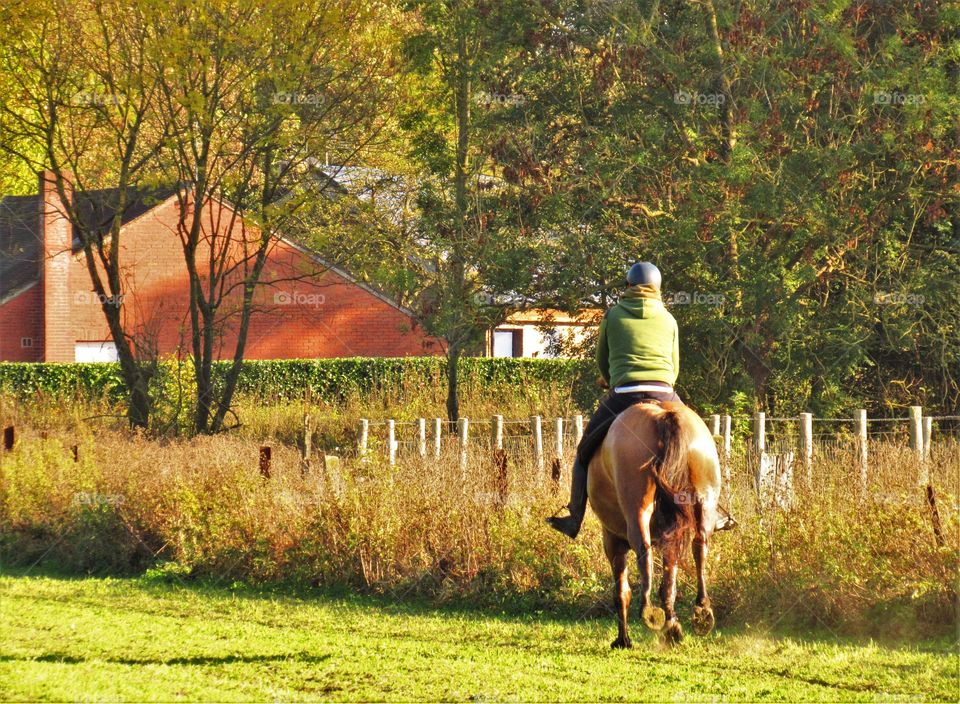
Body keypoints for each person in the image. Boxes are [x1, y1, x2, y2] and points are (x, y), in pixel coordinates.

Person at [547, 261, 683, 539]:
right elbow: (675, 365)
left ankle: (574, 516)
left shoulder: (613, 316)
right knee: (693, 437)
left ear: (629, 286)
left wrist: (609, 379)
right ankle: (713, 509)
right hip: (664, 392)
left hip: (624, 394)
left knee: (584, 450)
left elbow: (602, 359)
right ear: (657, 288)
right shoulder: (669, 319)